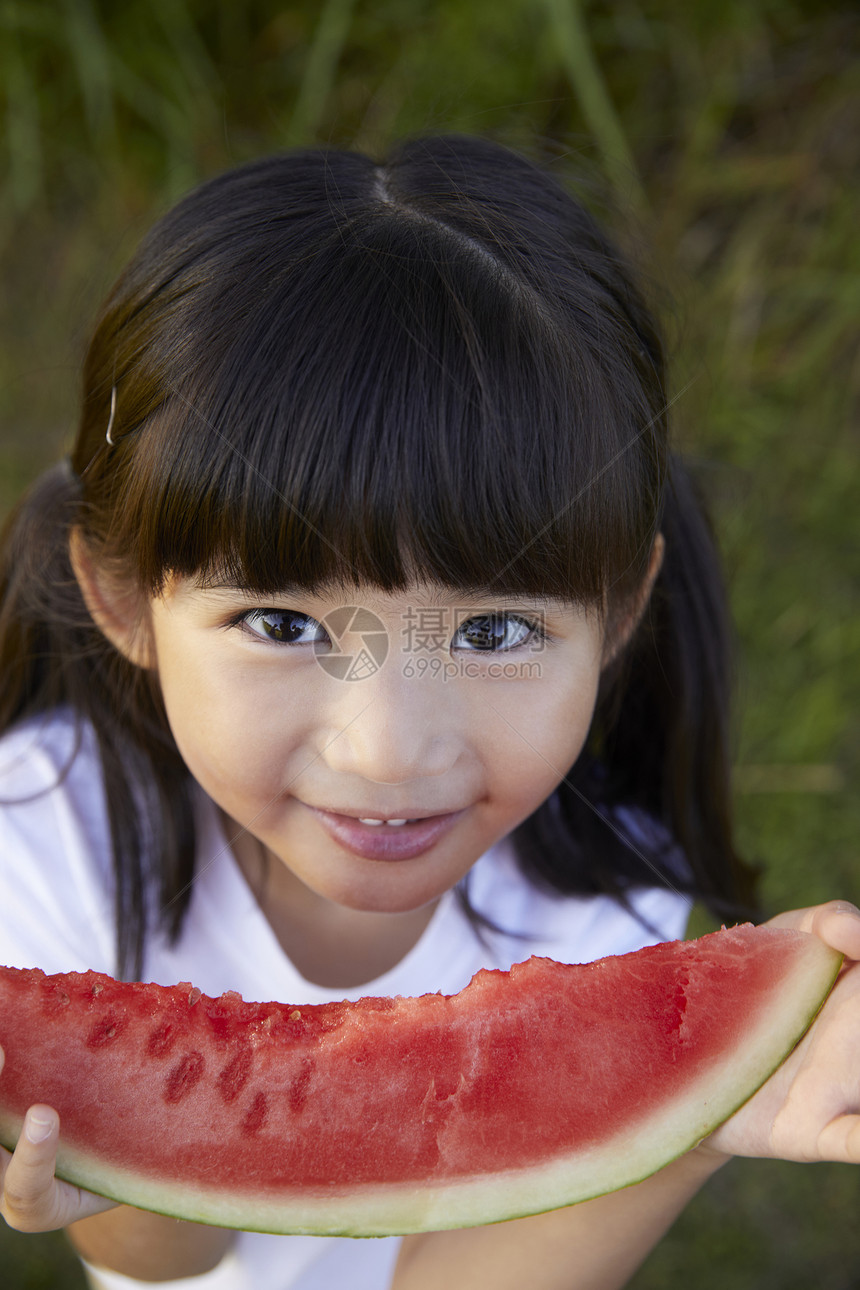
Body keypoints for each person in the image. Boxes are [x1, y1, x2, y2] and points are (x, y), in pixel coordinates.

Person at [0, 135, 858, 1290]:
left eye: (493, 632)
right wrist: (114, 1164)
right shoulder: (34, 844)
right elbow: (157, 1248)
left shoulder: (611, 901)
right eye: (283, 624)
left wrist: (689, 1124)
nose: (387, 752)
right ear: (123, 604)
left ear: (616, 616)